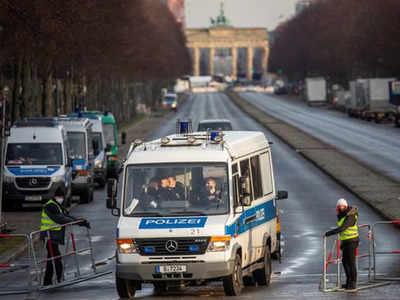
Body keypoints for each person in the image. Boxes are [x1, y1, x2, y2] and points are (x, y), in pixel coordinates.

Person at [40, 189, 90, 286]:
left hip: (52, 236)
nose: (61, 199)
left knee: (52, 259)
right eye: (60, 197)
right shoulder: (50, 206)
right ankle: (57, 279)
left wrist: (80, 221)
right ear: (56, 197)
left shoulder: (57, 205)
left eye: (62, 197)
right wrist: (78, 222)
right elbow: (60, 219)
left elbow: (67, 216)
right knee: (56, 258)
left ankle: (49, 281)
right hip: (48, 236)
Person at [324, 198, 359, 292]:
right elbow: (342, 227)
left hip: (352, 241)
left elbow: (343, 228)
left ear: (345, 206)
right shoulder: (343, 215)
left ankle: (353, 283)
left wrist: (329, 233)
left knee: (351, 262)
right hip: (346, 242)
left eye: (341, 206)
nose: (339, 208)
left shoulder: (351, 215)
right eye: (338, 206)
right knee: (345, 262)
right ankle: (348, 282)